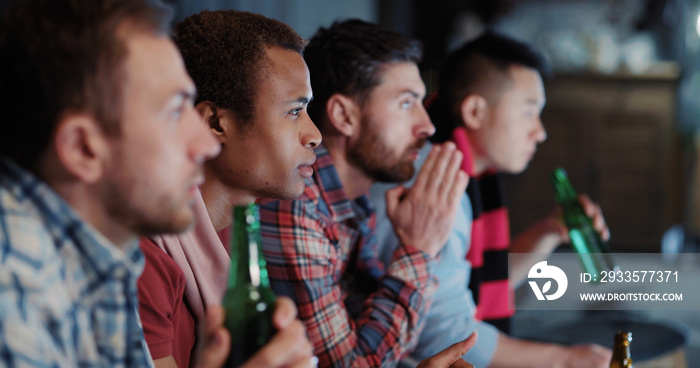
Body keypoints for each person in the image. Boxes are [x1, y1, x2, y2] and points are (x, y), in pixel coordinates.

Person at [0, 0, 228, 366]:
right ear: (83, 148)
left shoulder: (108, 254)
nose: (209, 144)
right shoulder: (15, 289)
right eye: (174, 112)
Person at [371, 31, 612, 367]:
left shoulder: (463, 169)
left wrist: (549, 230)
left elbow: (477, 279)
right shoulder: (436, 184)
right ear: (475, 111)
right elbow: (447, 335)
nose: (540, 132)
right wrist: (566, 360)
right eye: (529, 112)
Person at [259, 19, 470, 367]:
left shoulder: (350, 202)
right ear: (344, 115)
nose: (427, 126)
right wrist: (419, 249)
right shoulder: (298, 205)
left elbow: (370, 331)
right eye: (406, 103)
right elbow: (350, 364)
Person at [136, 10, 319, 368]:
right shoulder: (146, 261)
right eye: (294, 111)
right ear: (214, 123)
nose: (315, 134)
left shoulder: (242, 231)